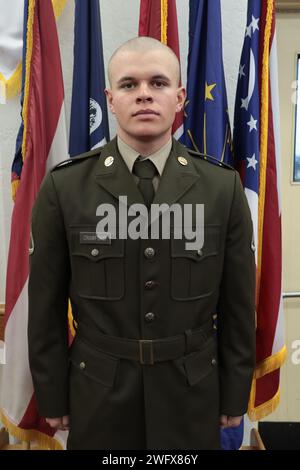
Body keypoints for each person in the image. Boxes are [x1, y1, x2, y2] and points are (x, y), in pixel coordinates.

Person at [28, 36, 256, 450]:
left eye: (159, 83)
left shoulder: (222, 188)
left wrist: (235, 390)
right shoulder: (65, 188)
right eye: (130, 85)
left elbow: (238, 304)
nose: (144, 94)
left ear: (180, 97)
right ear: (110, 100)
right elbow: (44, 305)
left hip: (191, 391)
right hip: (99, 391)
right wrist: (51, 392)